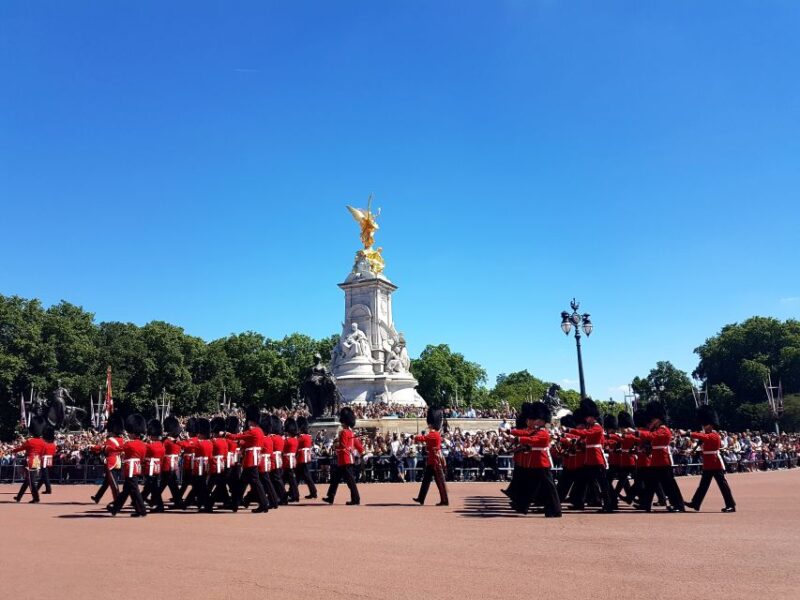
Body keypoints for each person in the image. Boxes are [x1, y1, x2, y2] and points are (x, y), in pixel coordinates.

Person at [508, 402, 561, 518]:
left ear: (542, 421)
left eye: (537, 419)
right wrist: (511, 432)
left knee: (550, 488)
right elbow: (525, 433)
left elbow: (532, 439)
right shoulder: (537, 431)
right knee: (531, 486)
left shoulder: (543, 433)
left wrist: (517, 439)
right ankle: (522, 506)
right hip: (535, 462)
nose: (535, 421)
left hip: (542, 463)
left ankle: (555, 510)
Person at [633, 401, 685, 512]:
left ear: (658, 418)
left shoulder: (664, 430)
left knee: (670, 485)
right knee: (650, 484)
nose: (651, 421)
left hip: (663, 460)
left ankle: (678, 505)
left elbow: (652, 436)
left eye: (653, 419)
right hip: (656, 460)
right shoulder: (657, 429)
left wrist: (638, 433)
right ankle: (645, 504)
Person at [565, 399, 615, 513]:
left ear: (593, 416)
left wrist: (571, 430)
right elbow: (583, 438)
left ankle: (609, 505)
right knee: (582, 482)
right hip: (589, 459)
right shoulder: (590, 427)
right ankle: (579, 503)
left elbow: (585, 434)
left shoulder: (597, 427)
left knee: (603, 484)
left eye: (588, 417)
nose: (586, 419)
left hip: (596, 459)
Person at [685, 405, 736, 513]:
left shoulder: (714, 435)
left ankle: (730, 505)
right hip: (708, 463)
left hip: (715, 463)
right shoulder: (708, 434)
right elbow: (703, 441)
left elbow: (704, 437)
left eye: (705, 424)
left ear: (711, 425)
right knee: (703, 485)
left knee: (723, 485)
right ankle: (695, 503)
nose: (704, 427)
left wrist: (689, 433)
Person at [229, 405, 270, 513]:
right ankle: (235, 504)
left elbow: (237, 437)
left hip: (250, 460)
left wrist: (225, 434)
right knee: (242, 483)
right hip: (253, 458)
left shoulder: (253, 431)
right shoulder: (259, 431)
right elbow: (247, 442)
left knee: (255, 483)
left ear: (251, 421)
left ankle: (264, 504)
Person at [108, 414, 148, 517]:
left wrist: (106, 448)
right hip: (137, 466)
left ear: (133, 433)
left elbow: (117, 449)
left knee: (134, 490)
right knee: (126, 491)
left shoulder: (129, 444)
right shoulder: (143, 444)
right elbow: (143, 457)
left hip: (130, 468)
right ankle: (115, 509)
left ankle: (142, 510)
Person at [323, 407, 364, 505]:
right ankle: (330, 497)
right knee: (335, 479)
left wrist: (335, 445)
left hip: (345, 459)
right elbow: (357, 444)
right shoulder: (350, 432)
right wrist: (362, 451)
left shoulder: (344, 432)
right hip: (346, 459)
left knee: (350, 481)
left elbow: (342, 445)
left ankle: (356, 499)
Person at [412, 407, 449, 506]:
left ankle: (445, 500)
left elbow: (423, 438)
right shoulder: (434, 433)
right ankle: (421, 498)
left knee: (440, 482)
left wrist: (414, 436)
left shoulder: (434, 434)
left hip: (435, 462)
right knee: (426, 481)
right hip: (431, 461)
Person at [90, 413, 124, 505]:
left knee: (113, 483)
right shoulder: (121, 440)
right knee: (107, 482)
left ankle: (118, 500)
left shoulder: (110, 440)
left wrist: (92, 447)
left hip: (111, 463)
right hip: (118, 462)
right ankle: (97, 497)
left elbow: (102, 448)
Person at [13, 415, 46, 503]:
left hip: (30, 461)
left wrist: (13, 450)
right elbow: (42, 453)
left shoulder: (30, 441)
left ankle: (36, 498)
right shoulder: (43, 442)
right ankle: (19, 497)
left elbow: (21, 448)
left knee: (31, 481)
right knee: (27, 481)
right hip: (37, 461)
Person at [208, 417, 232, 511]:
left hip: (215, 465)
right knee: (220, 484)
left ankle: (207, 504)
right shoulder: (225, 441)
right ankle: (226, 501)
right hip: (222, 464)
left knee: (209, 485)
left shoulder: (213, 441)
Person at [142, 419, 165, 513]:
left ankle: (138, 501)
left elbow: (144, 454)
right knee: (151, 487)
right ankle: (141, 500)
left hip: (150, 468)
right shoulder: (161, 445)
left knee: (153, 488)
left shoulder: (149, 445)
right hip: (157, 468)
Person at [159, 416, 183, 508]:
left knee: (170, 484)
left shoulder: (167, 441)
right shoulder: (176, 440)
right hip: (173, 463)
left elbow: (162, 449)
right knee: (167, 483)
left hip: (168, 463)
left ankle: (178, 502)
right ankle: (178, 501)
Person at [295, 416, 318, 499]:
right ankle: (312, 492)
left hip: (302, 458)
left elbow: (296, 445)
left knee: (306, 476)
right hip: (304, 457)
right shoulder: (307, 436)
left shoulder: (302, 437)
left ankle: (313, 492)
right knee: (299, 477)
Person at [269, 416, 289, 505]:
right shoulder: (280, 438)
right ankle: (276, 496)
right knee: (276, 479)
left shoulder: (272, 438)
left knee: (276, 479)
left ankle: (283, 497)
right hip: (279, 460)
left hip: (273, 460)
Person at [282, 417, 300, 503]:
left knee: (290, 480)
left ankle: (293, 495)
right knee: (287, 480)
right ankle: (293, 495)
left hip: (287, 461)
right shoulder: (295, 440)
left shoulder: (288, 441)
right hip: (291, 460)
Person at [35, 426, 57, 495]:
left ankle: (48, 489)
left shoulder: (44, 444)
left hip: (44, 459)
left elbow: (41, 452)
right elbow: (53, 453)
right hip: (50, 458)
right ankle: (36, 488)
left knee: (45, 476)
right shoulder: (53, 445)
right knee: (44, 476)